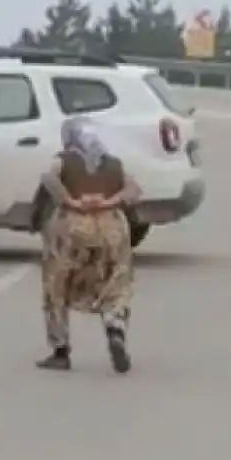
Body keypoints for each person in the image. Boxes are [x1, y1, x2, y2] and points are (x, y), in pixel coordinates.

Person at [36, 116, 142, 373]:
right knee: (116, 282)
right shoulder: (114, 164)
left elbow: (48, 179)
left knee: (57, 285)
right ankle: (115, 327)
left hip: (72, 228)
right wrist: (108, 202)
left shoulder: (63, 160)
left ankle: (60, 350)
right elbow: (134, 190)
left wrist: (71, 201)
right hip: (111, 228)